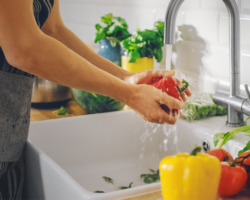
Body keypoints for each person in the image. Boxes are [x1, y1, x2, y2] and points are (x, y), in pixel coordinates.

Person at [0, 0, 191, 199]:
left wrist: (125, 78)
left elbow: (53, 30)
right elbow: (23, 47)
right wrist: (128, 94)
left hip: (10, 132)